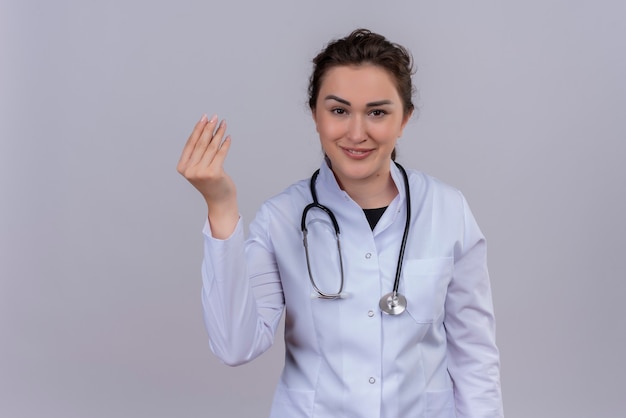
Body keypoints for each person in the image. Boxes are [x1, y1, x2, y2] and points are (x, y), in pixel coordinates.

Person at [177, 28, 503, 418]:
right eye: (339, 110)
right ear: (315, 114)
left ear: (405, 119)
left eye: (377, 112)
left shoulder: (447, 210)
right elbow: (234, 346)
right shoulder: (281, 219)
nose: (356, 132)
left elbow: (475, 359)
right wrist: (221, 207)